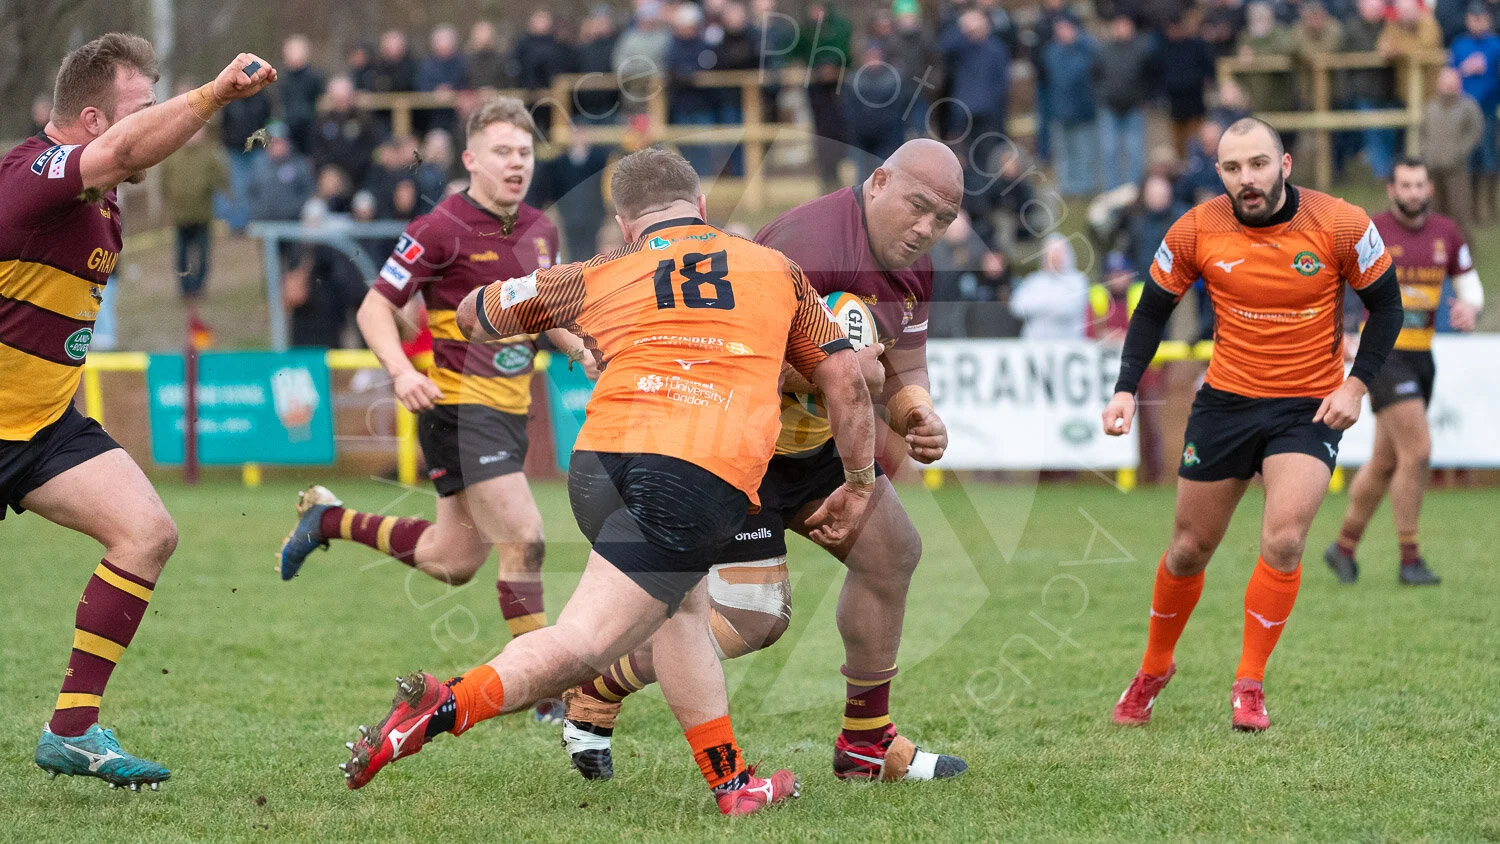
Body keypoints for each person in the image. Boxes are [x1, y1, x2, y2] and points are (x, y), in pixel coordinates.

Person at [338, 147, 875, 818]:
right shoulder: (777, 271)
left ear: (626, 225)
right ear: (702, 207)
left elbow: (478, 311)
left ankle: (732, 785)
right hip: (692, 472)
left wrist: (512, 302)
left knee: (682, 608)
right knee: (585, 643)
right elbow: (846, 382)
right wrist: (857, 483)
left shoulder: (599, 272)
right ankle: (438, 707)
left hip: (597, 465)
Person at [558, 138, 969, 785]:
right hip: (741, 445)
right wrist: (831, 370)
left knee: (892, 553)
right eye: (919, 208)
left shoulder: (915, 265)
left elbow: (902, 367)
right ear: (880, 182)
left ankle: (865, 743)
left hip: (814, 446)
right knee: (755, 617)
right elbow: (736, 360)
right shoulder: (805, 244)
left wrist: (918, 411)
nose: (927, 229)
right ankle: (600, 684)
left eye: (943, 219)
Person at [0, 33, 275, 788]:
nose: (159, 122)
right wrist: (215, 95)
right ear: (93, 121)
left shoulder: (103, 203)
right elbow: (122, 156)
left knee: (147, 532)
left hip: (39, 427)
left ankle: (73, 729)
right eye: (142, 108)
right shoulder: (31, 175)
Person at [1103, 118, 1403, 733]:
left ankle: (1250, 682)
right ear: (1219, 173)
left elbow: (1388, 306)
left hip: (1307, 407)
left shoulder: (1341, 223)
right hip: (1225, 405)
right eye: (1234, 168)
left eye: (1259, 164)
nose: (1249, 179)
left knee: (1285, 539)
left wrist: (1356, 382)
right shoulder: (1195, 228)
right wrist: (1126, 388)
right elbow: (1152, 310)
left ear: (1285, 164)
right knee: (1188, 550)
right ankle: (1155, 668)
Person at [278, 98, 566, 647]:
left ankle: (328, 521)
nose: (516, 163)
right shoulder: (439, 227)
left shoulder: (541, 230)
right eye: (502, 151)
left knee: (452, 559)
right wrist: (401, 373)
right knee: (525, 538)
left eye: (524, 152)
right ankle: (548, 686)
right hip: (456, 409)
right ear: (472, 159)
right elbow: (373, 308)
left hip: (507, 412)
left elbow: (547, 311)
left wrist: (584, 345)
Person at [1325, 157, 1483, 585]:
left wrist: (1471, 306)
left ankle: (1342, 549)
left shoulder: (1446, 233)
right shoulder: (1370, 232)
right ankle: (1410, 559)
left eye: (1420, 185)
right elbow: (1334, 281)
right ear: (1391, 190)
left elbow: (1468, 282)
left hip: (1422, 356)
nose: (1414, 193)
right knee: (1419, 452)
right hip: (1382, 356)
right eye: (1405, 186)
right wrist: (1341, 333)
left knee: (1383, 462)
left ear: (1429, 188)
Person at [158, 120, 228, 333]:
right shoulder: (173, 155)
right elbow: (164, 183)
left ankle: (199, 287)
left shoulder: (210, 154)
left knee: (203, 253)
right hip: (181, 217)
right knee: (181, 254)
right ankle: (185, 288)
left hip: (203, 215)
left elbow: (221, 180)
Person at [1448, 3, 1500, 223]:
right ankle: (1469, 208)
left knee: (1489, 155)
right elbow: (1451, 72)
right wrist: (1465, 69)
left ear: (1488, 20)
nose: (1477, 22)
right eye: (1473, 18)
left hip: (1488, 107)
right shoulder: (1460, 44)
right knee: (1468, 157)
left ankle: (1490, 208)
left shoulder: (1496, 44)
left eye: (1481, 18)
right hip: (1464, 110)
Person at [1420, 68, 1485, 228]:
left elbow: (1476, 132)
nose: (1448, 87)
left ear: (1459, 84)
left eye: (1452, 83)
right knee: (1434, 212)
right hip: (1432, 168)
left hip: (1457, 169)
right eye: (1445, 83)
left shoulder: (1469, 106)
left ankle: (1464, 250)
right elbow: (1422, 133)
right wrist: (1426, 153)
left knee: (1460, 213)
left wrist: (1459, 152)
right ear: (1438, 84)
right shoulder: (1430, 107)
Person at [1009, 233, 1090, 338]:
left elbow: (1068, 310)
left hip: (1068, 345)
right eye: (1050, 255)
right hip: (1036, 346)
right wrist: (1053, 301)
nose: (1054, 259)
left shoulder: (1078, 281)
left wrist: (1039, 302)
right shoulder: (1034, 280)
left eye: (1057, 254)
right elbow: (1017, 307)